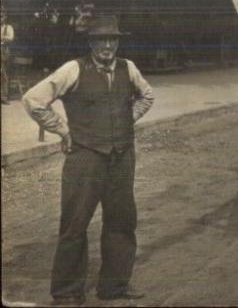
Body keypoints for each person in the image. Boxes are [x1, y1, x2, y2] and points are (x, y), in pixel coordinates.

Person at [22, 15, 154, 305]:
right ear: (91, 43)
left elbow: (147, 96)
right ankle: (67, 292)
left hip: (121, 157)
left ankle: (115, 286)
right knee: (75, 224)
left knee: (122, 221)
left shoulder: (127, 67)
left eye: (113, 39)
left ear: (118, 42)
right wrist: (62, 129)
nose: (107, 45)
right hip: (85, 158)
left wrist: (126, 120)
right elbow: (34, 99)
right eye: (101, 40)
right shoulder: (74, 69)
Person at [1, 12, 14, 104]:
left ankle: (3, 97)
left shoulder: (8, 27)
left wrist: (2, 37)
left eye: (1, 16)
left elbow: (11, 38)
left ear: (5, 17)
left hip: (3, 52)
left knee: (4, 74)